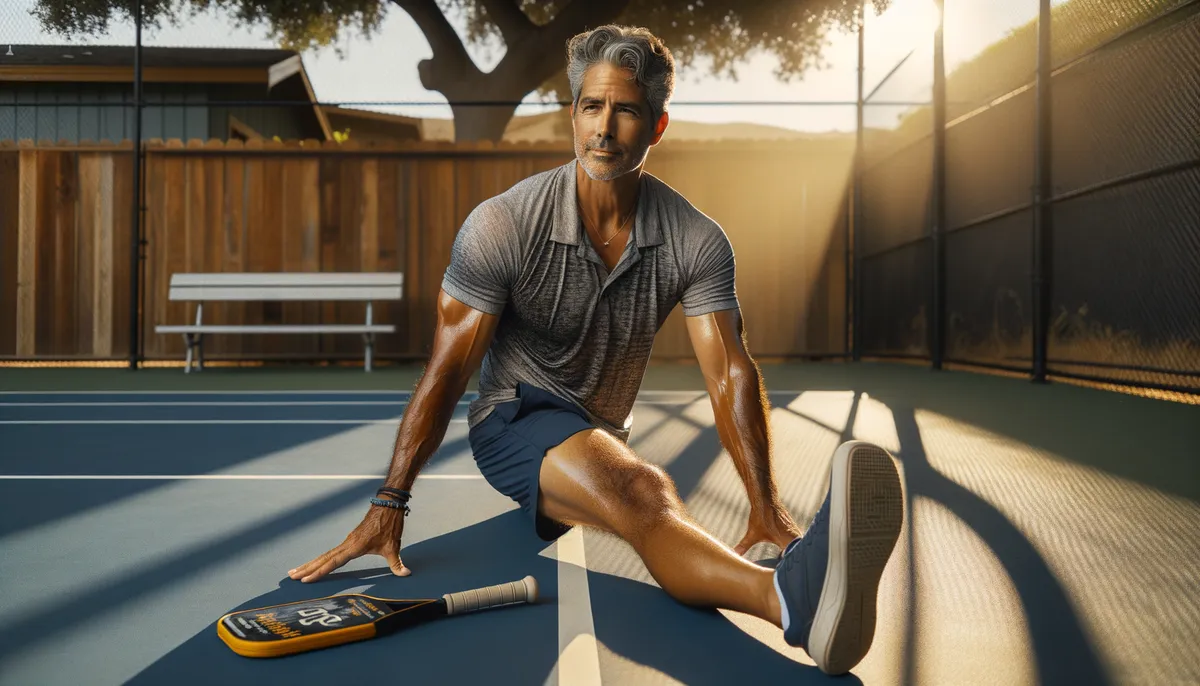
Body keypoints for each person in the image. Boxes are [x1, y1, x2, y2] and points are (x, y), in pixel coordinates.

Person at [287, 24, 904, 676]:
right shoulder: (504, 225)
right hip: (513, 417)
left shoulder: (695, 239)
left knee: (639, 501)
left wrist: (763, 505)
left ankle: (792, 577)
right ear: (572, 114)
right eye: (590, 106)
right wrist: (390, 501)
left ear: (657, 127)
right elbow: (447, 372)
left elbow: (727, 370)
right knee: (642, 489)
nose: (604, 129)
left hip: (601, 430)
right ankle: (792, 599)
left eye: (626, 110)